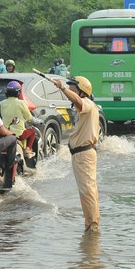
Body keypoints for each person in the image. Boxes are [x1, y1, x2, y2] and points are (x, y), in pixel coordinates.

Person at [52, 76, 100, 233]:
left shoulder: (86, 103)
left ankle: (93, 230)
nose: (70, 92)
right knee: (86, 192)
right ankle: (90, 227)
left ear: (82, 91)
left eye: (73, 89)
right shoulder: (86, 107)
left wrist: (62, 88)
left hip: (84, 155)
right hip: (81, 154)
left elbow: (78, 101)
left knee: (88, 192)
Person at [0, 81, 36, 157]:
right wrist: (36, 121)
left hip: (6, 133)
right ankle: (27, 150)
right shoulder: (21, 103)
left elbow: (3, 116)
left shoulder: (3, 103)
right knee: (32, 132)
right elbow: (29, 117)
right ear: (18, 92)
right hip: (20, 134)